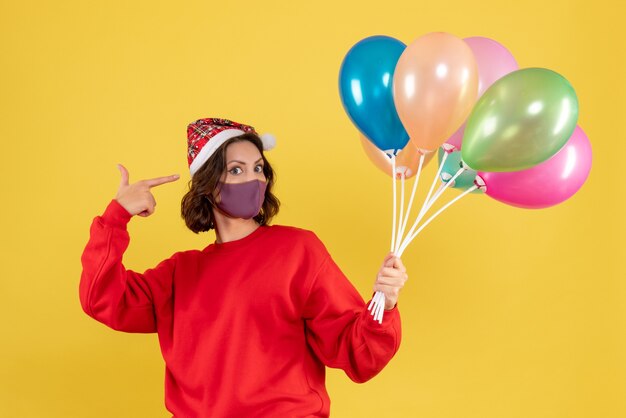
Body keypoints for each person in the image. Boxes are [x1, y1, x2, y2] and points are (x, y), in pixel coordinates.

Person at [79, 118, 408, 418]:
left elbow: (358, 354)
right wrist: (116, 217)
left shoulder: (297, 251)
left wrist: (384, 304)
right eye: (236, 170)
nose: (253, 178)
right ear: (207, 184)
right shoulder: (180, 274)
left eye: (258, 168)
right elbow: (102, 297)